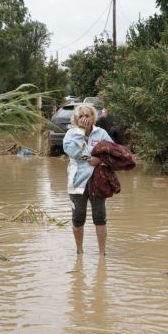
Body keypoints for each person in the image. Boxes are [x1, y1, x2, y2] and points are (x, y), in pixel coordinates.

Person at [63, 104, 113, 256]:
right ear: (76, 119)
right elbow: (72, 152)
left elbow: (113, 152)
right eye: (81, 116)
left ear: (93, 118)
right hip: (77, 183)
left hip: (98, 182)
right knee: (78, 219)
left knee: (100, 218)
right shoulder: (71, 134)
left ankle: (102, 254)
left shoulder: (101, 133)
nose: (84, 119)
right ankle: (80, 252)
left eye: (87, 116)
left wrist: (100, 161)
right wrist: (80, 133)